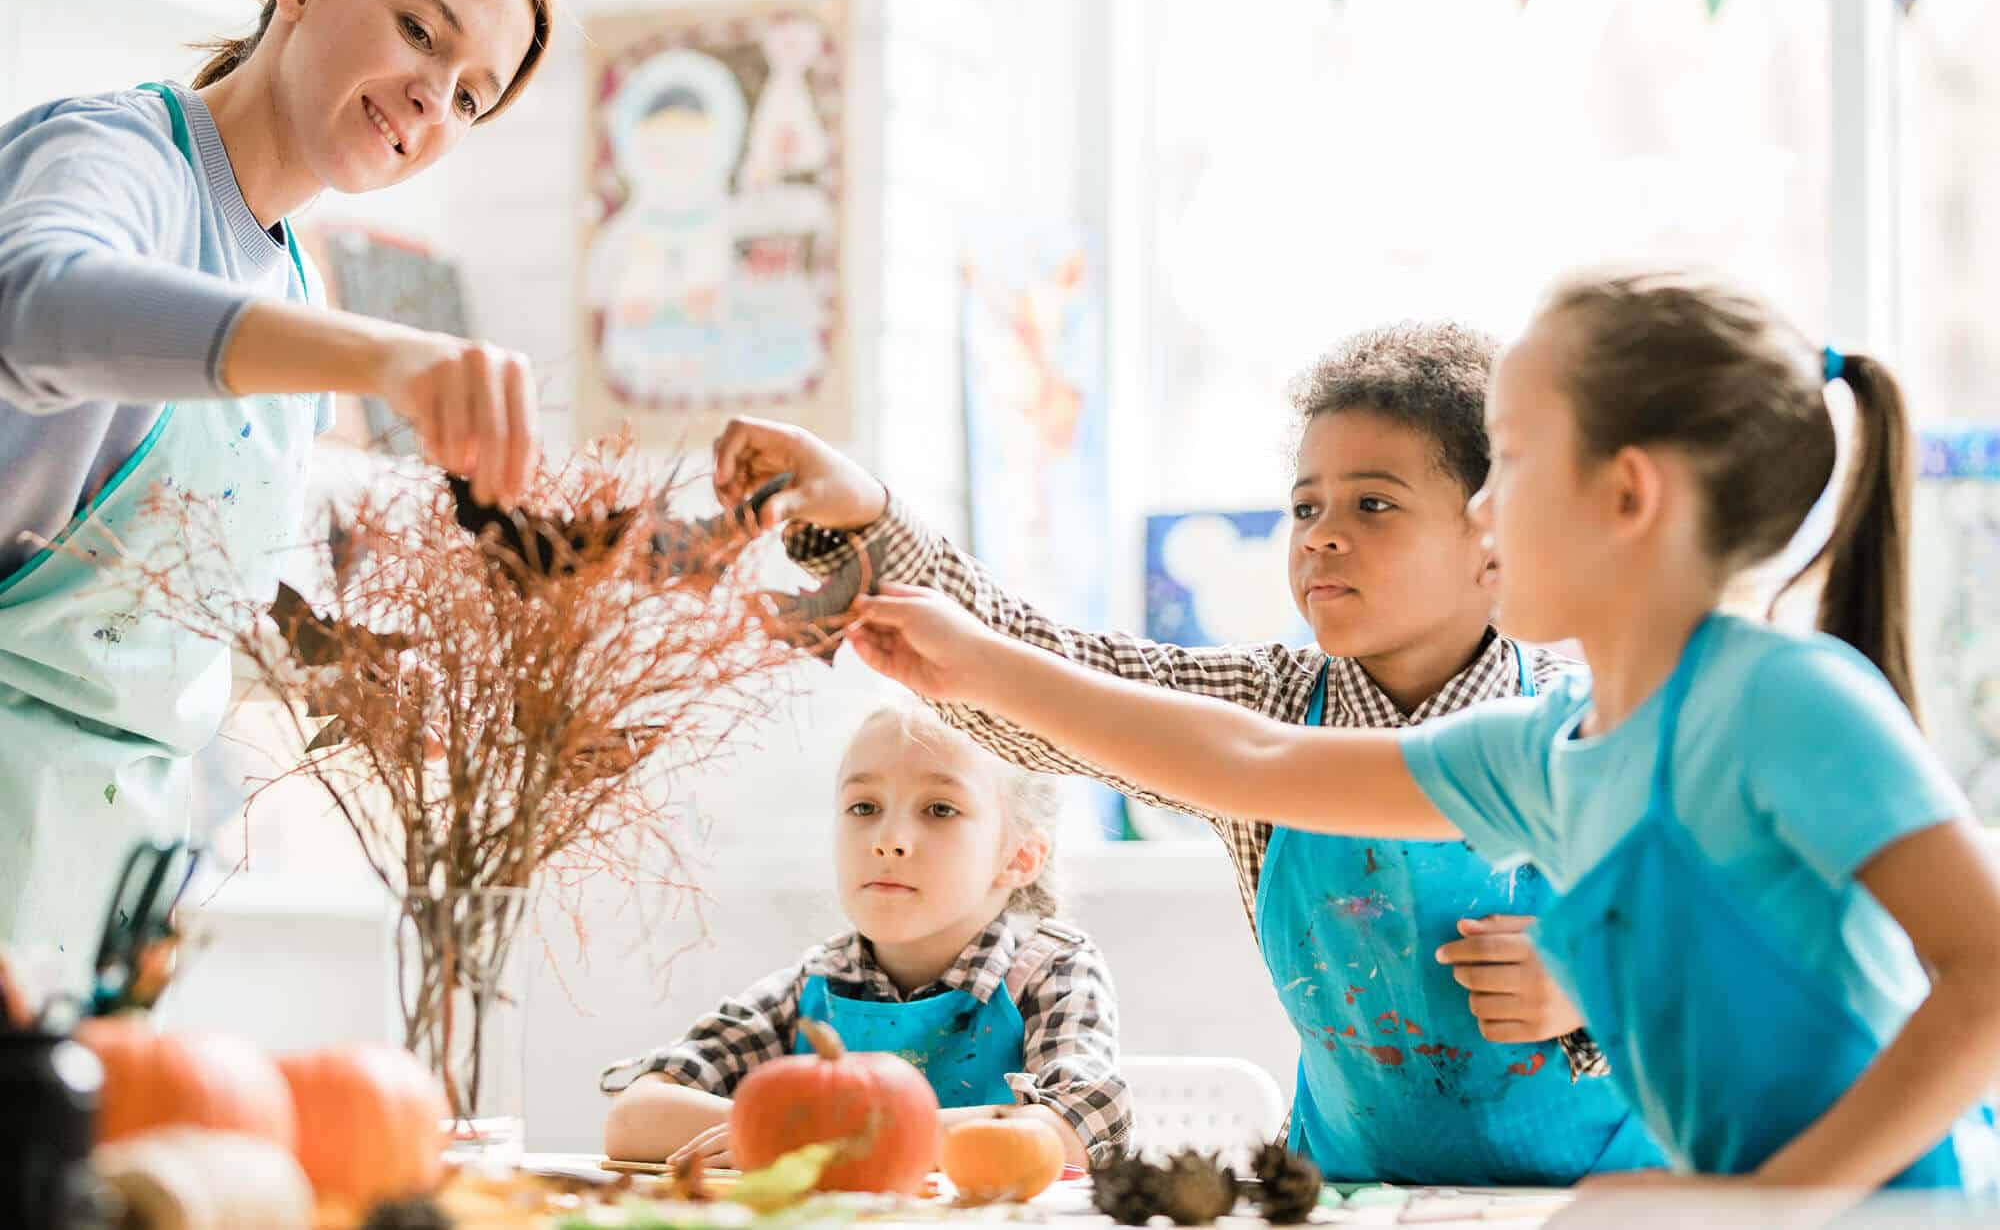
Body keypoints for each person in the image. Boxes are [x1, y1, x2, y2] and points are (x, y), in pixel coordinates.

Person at [844, 270, 2000, 1200]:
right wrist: (978, 659)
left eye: (1513, 465)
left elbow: (1988, 974)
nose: (1488, 512)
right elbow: (1250, 758)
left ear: (1627, 495)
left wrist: (1782, 1200)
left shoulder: (1784, 701)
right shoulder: (1546, 752)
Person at [709, 322, 1656, 1184]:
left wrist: (1599, 991)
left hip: (1608, 1200)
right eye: (1304, 505)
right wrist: (865, 521)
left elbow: (1740, 984)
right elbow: (1054, 674)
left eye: (1373, 504)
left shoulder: (1597, 722)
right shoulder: (1268, 708)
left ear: (1493, 535)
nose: (1321, 533)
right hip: (1347, 1197)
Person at [0, 0, 556, 969]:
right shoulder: (117, 155)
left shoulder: (288, 273)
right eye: (419, 32)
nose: (429, 99)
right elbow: (29, 299)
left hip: (109, 868)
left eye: (468, 96)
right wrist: (382, 354)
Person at [599, 702, 1130, 1170]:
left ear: (1018, 858)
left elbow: (1068, 1131)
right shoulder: (816, 986)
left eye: (940, 809)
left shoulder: (1050, 970)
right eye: (864, 808)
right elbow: (635, 1117)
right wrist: (791, 1138)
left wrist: (827, 1141)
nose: (889, 840)